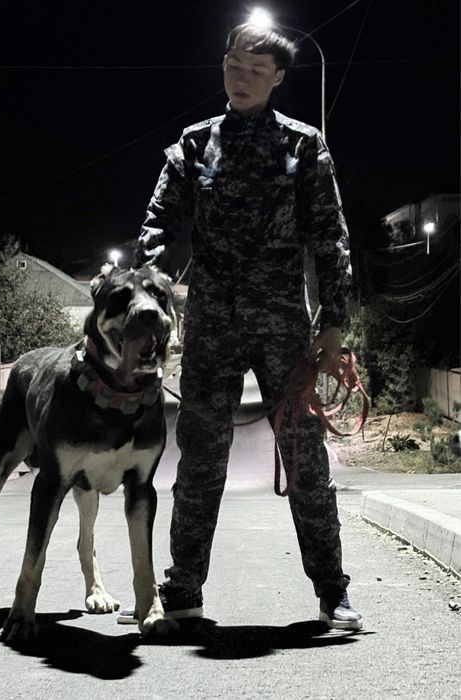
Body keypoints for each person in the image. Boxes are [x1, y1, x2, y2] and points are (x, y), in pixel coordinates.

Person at [119, 22, 362, 630]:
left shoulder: (303, 146)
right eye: (234, 66)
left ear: (277, 78)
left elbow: (330, 239)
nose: (242, 78)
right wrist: (148, 293)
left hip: (284, 327)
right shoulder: (194, 145)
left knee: (304, 458)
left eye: (256, 70)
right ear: (223, 67)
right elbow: (157, 225)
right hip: (212, 327)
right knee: (200, 461)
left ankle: (333, 592)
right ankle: (184, 593)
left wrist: (334, 323)